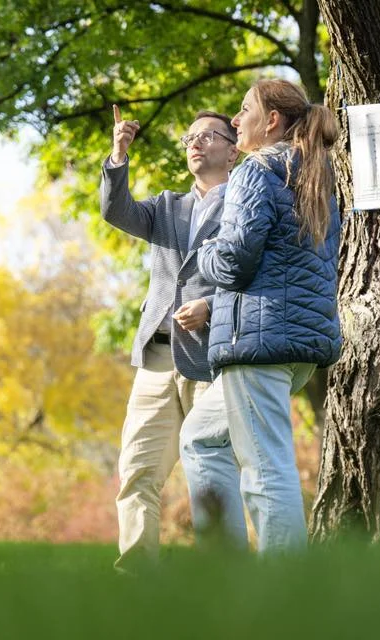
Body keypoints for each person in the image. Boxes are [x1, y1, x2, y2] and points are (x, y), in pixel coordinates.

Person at [181, 78, 342, 552]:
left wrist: (205, 249)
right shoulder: (314, 173)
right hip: (295, 347)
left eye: (244, 109)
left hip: (257, 343)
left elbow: (233, 261)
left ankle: (284, 590)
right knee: (200, 438)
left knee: (265, 465)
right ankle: (224, 566)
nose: (234, 120)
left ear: (272, 121)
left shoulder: (255, 171)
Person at [102, 104, 240, 569]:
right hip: (156, 362)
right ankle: (136, 574)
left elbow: (259, 278)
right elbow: (115, 211)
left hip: (212, 360)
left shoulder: (247, 207)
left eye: (208, 135)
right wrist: (119, 153)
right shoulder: (166, 206)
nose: (196, 143)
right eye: (190, 138)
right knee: (137, 472)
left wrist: (214, 307)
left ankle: (221, 572)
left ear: (233, 150)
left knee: (212, 473)